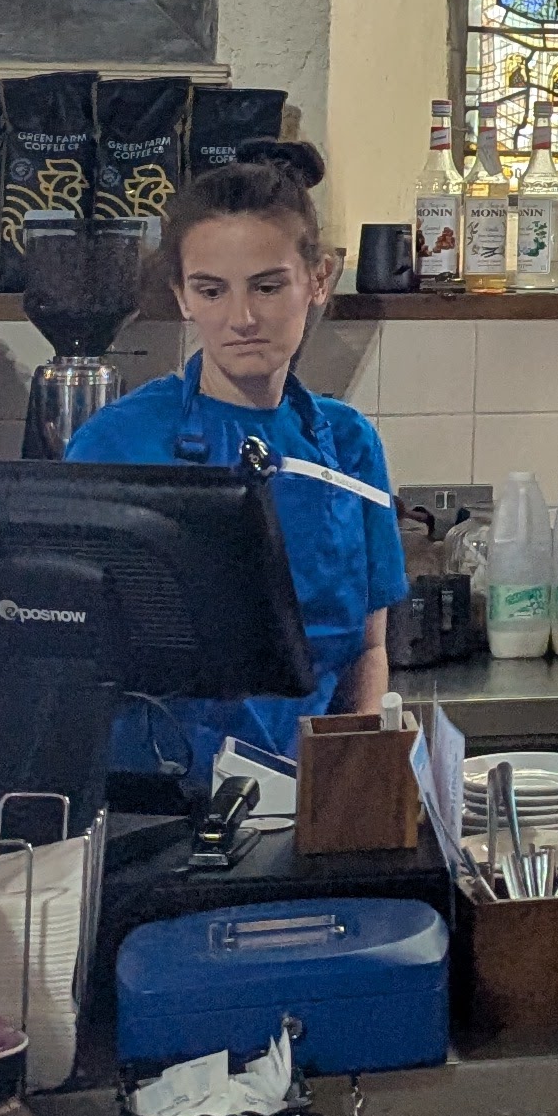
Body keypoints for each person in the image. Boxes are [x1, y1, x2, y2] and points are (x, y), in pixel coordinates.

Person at [64, 141, 407, 793]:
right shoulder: (117, 442)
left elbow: (366, 651)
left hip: (297, 801)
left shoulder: (349, 445)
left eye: (268, 286)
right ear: (182, 296)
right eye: (211, 290)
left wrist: (353, 784)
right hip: (147, 809)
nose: (241, 318)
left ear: (318, 281)